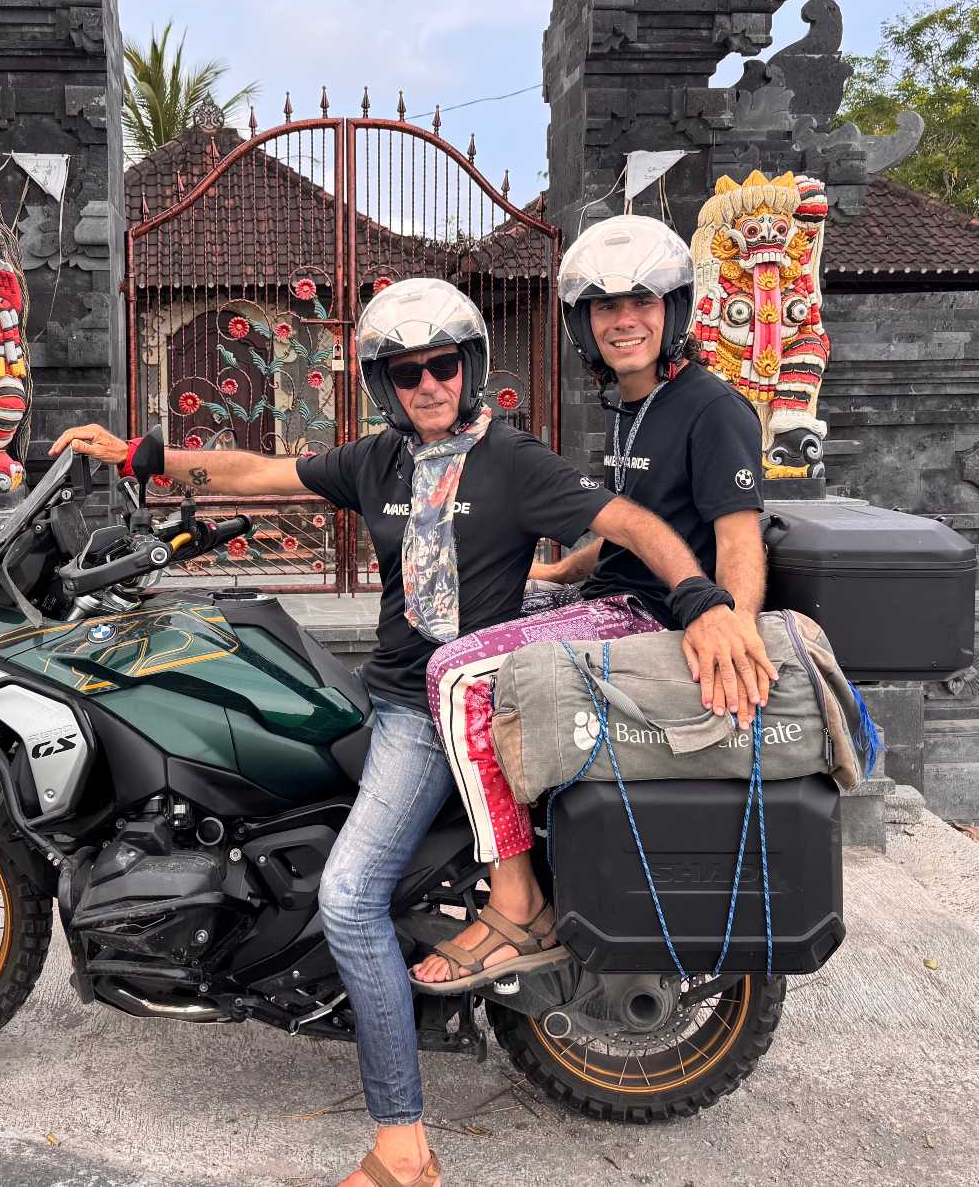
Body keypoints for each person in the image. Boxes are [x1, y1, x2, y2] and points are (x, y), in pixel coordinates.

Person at [50, 275, 773, 1187]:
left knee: (350, 898)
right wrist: (140, 454)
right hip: (387, 687)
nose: (427, 385)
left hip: (434, 713)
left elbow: (633, 522)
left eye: (441, 366)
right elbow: (259, 473)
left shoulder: (512, 460)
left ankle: (403, 1145)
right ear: (381, 384)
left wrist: (706, 602)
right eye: (405, 372)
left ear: (469, 368)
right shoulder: (378, 462)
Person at [411, 217, 774, 995]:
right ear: (583, 322)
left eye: (641, 301)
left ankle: (516, 903)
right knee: (463, 617)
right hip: (612, 596)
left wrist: (731, 623)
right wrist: (557, 573)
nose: (623, 321)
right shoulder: (631, 403)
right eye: (605, 306)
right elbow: (632, 527)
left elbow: (738, 536)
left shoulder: (711, 408)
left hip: (650, 619)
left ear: (673, 311)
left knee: (454, 675)